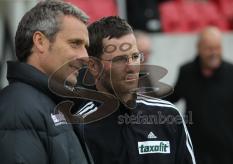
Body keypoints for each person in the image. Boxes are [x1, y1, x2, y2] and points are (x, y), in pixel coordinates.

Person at [74, 16, 196, 164]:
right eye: (119, 60)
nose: (132, 67)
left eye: (135, 56)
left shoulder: (168, 115)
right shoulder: (79, 127)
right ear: (93, 66)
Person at [0, 1, 92, 164]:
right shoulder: (18, 109)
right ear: (40, 41)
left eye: (85, 47)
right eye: (75, 43)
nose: (85, 57)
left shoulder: (53, 102)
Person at [166, 26, 233, 164]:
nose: (214, 53)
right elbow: (173, 97)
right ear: (198, 47)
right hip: (195, 152)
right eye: (209, 48)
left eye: (217, 48)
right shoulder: (186, 71)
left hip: (226, 155)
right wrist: (147, 99)